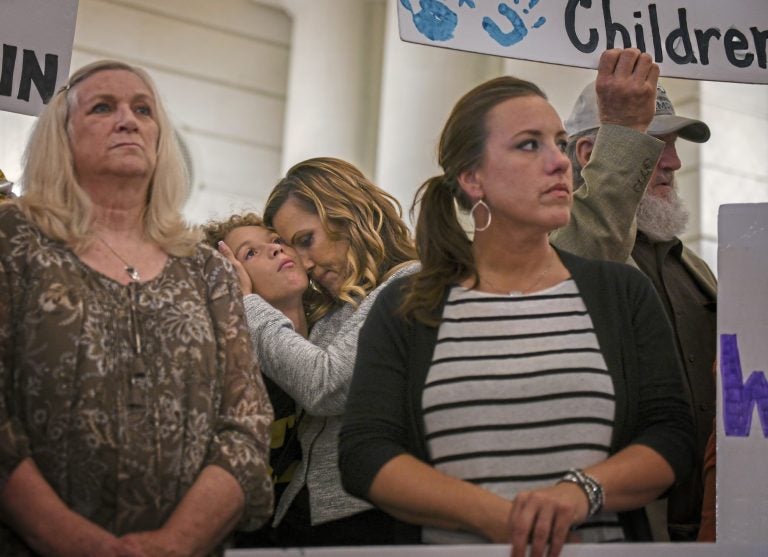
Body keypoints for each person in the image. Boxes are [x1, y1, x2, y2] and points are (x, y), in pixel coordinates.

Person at [339, 49, 695, 557]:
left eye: (560, 143)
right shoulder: (409, 305)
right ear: (472, 178)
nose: (558, 162)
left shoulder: (621, 293)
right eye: (529, 145)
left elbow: (670, 435)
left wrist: (581, 492)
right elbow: (365, 454)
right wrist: (495, 517)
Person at [0, 60, 273, 556]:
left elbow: (246, 423)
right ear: (59, 138)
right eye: (103, 107)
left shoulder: (206, 270)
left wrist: (176, 543)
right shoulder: (13, 241)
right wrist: (68, 540)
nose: (128, 120)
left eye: (143, 110)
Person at [551, 49, 717, 542]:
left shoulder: (695, 269)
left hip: (710, 519)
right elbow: (589, 252)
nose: (674, 161)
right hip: (621, 525)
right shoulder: (555, 251)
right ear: (590, 155)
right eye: (653, 144)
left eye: (674, 144)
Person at [217, 157, 418, 546]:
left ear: (351, 216)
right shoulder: (333, 310)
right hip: (302, 516)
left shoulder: (412, 283)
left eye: (305, 240)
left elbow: (325, 384)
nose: (303, 261)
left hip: (367, 518)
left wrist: (247, 303)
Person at [203, 213, 308, 546]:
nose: (276, 250)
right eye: (250, 253)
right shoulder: (230, 370)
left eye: (276, 240)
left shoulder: (336, 341)